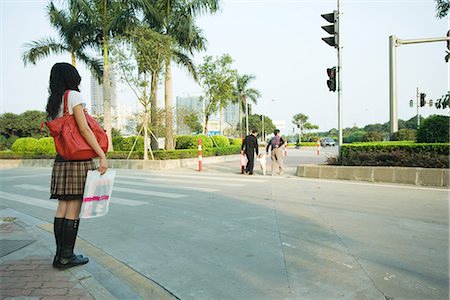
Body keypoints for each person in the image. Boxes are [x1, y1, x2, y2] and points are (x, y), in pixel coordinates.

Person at [46, 63, 108, 269]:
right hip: (78, 160)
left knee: (63, 206)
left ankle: (59, 255)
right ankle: (67, 256)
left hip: (62, 159)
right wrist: (101, 155)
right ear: (72, 77)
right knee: (73, 208)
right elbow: (84, 129)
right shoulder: (74, 96)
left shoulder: (54, 101)